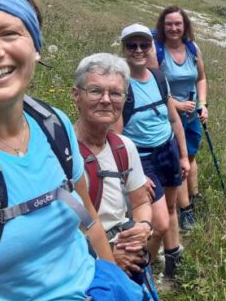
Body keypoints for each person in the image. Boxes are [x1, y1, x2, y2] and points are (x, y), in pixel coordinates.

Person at [0, 0, 140, 300]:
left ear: (35, 47)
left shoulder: (53, 124)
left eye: (10, 33)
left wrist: (115, 282)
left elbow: (89, 221)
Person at [72, 52, 157, 297]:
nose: (106, 100)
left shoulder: (124, 147)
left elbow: (140, 203)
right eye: (96, 91)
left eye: (116, 93)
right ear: (76, 95)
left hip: (128, 255)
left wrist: (144, 227)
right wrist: (107, 258)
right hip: (84, 266)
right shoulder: (61, 152)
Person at [114, 23, 190, 279]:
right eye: (131, 45)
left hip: (168, 150)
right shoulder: (121, 86)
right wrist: (134, 173)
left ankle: (170, 263)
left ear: (151, 47)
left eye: (144, 45)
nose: (138, 50)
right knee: (158, 224)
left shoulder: (158, 78)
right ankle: (139, 272)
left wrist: (183, 156)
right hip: (143, 159)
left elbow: (173, 118)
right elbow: (117, 138)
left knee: (171, 208)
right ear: (124, 49)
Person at [150, 6, 209, 231]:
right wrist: (176, 104)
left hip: (192, 114)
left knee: (191, 156)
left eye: (178, 24)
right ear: (162, 26)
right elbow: (153, 85)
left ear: (185, 26)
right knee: (180, 162)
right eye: (169, 24)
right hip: (169, 117)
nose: (173, 28)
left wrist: (202, 105)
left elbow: (201, 78)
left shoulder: (193, 49)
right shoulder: (157, 52)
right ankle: (186, 210)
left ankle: (194, 195)